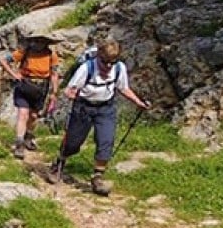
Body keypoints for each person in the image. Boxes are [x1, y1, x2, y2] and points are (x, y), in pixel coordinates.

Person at [49, 39, 150, 195]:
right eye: (105, 62)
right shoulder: (86, 68)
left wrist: (138, 102)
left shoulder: (119, 68)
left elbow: (123, 88)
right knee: (73, 143)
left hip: (105, 108)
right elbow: (69, 90)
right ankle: (59, 162)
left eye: (112, 62)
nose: (108, 66)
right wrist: (72, 94)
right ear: (98, 57)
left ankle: (98, 177)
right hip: (83, 107)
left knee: (106, 140)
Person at [0, 34, 60, 158]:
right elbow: (4, 61)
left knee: (33, 116)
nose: (38, 44)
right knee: (23, 114)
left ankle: (28, 135)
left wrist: (54, 92)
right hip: (24, 85)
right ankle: (19, 143)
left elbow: (54, 74)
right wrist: (14, 74)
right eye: (36, 41)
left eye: (42, 41)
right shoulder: (24, 52)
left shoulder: (51, 55)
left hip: (41, 87)